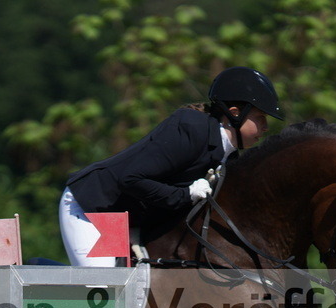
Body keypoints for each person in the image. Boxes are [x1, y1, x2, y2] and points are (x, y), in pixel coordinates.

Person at [59, 66, 284, 266]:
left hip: (128, 220)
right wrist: (185, 195)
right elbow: (131, 179)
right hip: (94, 208)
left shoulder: (229, 156)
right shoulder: (192, 129)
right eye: (260, 117)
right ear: (235, 114)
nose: (265, 127)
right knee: (103, 288)